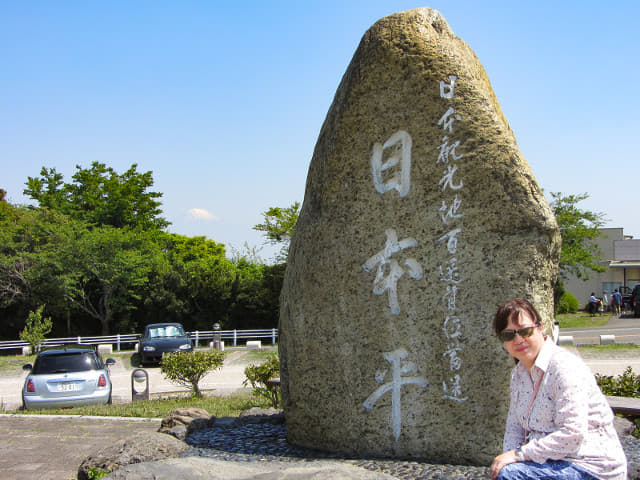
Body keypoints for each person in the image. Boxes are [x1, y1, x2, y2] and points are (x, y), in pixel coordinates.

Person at [490, 298, 626, 480]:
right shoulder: (519, 374)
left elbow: (573, 433)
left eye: (525, 331)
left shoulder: (563, 367)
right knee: (505, 470)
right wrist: (508, 457)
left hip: (590, 465)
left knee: (511, 475)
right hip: (547, 461)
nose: (518, 339)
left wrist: (519, 455)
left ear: (539, 327)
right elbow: (514, 427)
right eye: (508, 335)